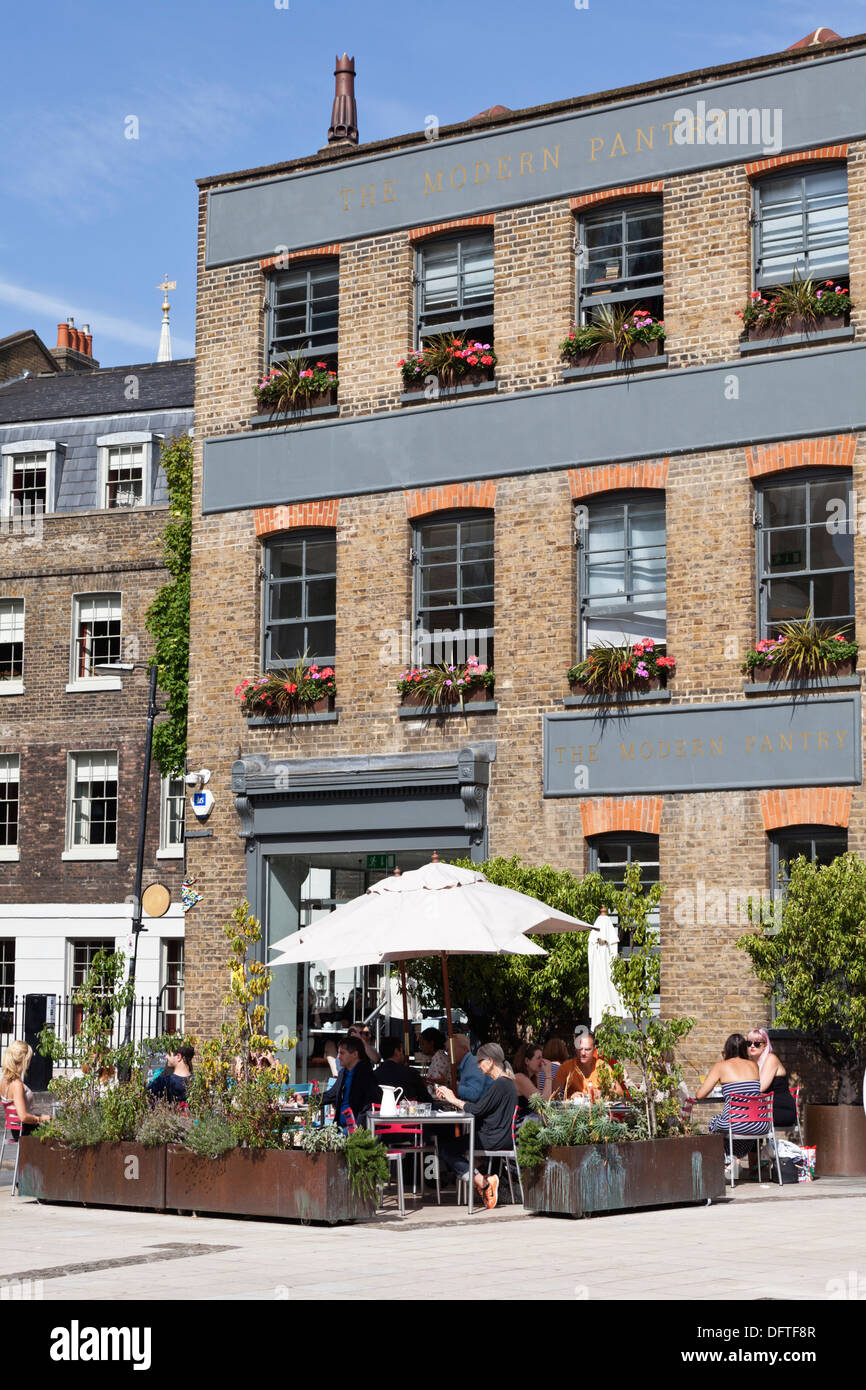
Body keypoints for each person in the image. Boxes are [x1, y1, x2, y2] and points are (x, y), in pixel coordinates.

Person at [434, 1043, 519, 1209]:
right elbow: (482, 1109)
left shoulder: (500, 1084)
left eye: (480, 1061)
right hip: (501, 1137)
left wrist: (453, 1099)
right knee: (453, 1146)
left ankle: (484, 1182)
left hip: (493, 1139)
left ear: (490, 1061)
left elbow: (478, 1109)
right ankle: (481, 1178)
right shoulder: (506, 1083)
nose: (478, 1066)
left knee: (445, 1148)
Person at [697, 1033, 768, 1167]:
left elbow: (700, 1095)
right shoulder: (754, 1065)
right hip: (760, 1124)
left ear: (727, 1049)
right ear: (744, 1048)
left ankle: (728, 1159)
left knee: (714, 1123)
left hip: (736, 1124)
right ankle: (733, 1157)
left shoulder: (720, 1066)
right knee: (735, 1122)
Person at [322, 1035, 380, 1131]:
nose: (338, 1057)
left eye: (342, 1053)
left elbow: (370, 1103)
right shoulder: (343, 1073)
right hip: (340, 1127)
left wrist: (359, 1125)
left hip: (356, 1130)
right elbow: (330, 1095)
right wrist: (304, 1100)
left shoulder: (365, 1074)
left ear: (355, 1054)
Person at [748, 1027, 797, 1128]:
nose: (752, 1046)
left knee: (744, 1118)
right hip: (766, 1109)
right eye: (749, 1043)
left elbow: (761, 1088)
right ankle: (753, 1144)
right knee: (739, 1117)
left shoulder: (771, 1059)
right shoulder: (753, 1063)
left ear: (765, 1045)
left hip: (781, 1110)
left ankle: (749, 1143)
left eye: (757, 1044)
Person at [552, 1029, 622, 1100]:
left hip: (598, 1109)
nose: (583, 1053)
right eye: (580, 1049)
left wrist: (602, 1094)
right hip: (574, 1109)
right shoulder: (567, 1067)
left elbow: (620, 1094)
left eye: (587, 1049)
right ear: (575, 1049)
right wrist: (570, 1097)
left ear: (594, 1050)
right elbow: (553, 1095)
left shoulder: (602, 1066)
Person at [0, 1041, 50, 1134]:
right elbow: (23, 1116)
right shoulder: (17, 1084)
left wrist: (40, 1116)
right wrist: (40, 1119)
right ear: (24, 1059)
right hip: (25, 1130)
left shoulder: (4, 1081)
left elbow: (16, 1112)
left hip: (15, 1129)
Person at [373, 1036, 430, 1103]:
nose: (403, 1054)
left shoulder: (374, 1075)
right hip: (407, 1111)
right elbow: (426, 1099)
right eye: (402, 1051)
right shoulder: (411, 1073)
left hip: (380, 1111)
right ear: (396, 1052)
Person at [512, 1042, 554, 1115]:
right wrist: (548, 1075)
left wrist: (537, 1076)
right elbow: (542, 1104)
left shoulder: (531, 1077)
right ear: (527, 1061)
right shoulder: (520, 1077)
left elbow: (536, 1109)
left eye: (542, 1057)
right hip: (517, 1124)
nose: (542, 1061)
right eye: (538, 1058)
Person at [451, 1033, 492, 1102]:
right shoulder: (467, 1063)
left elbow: (474, 1094)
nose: (449, 1054)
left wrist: (452, 1087)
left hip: (487, 1110)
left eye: (450, 1050)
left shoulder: (473, 1063)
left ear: (464, 1049)